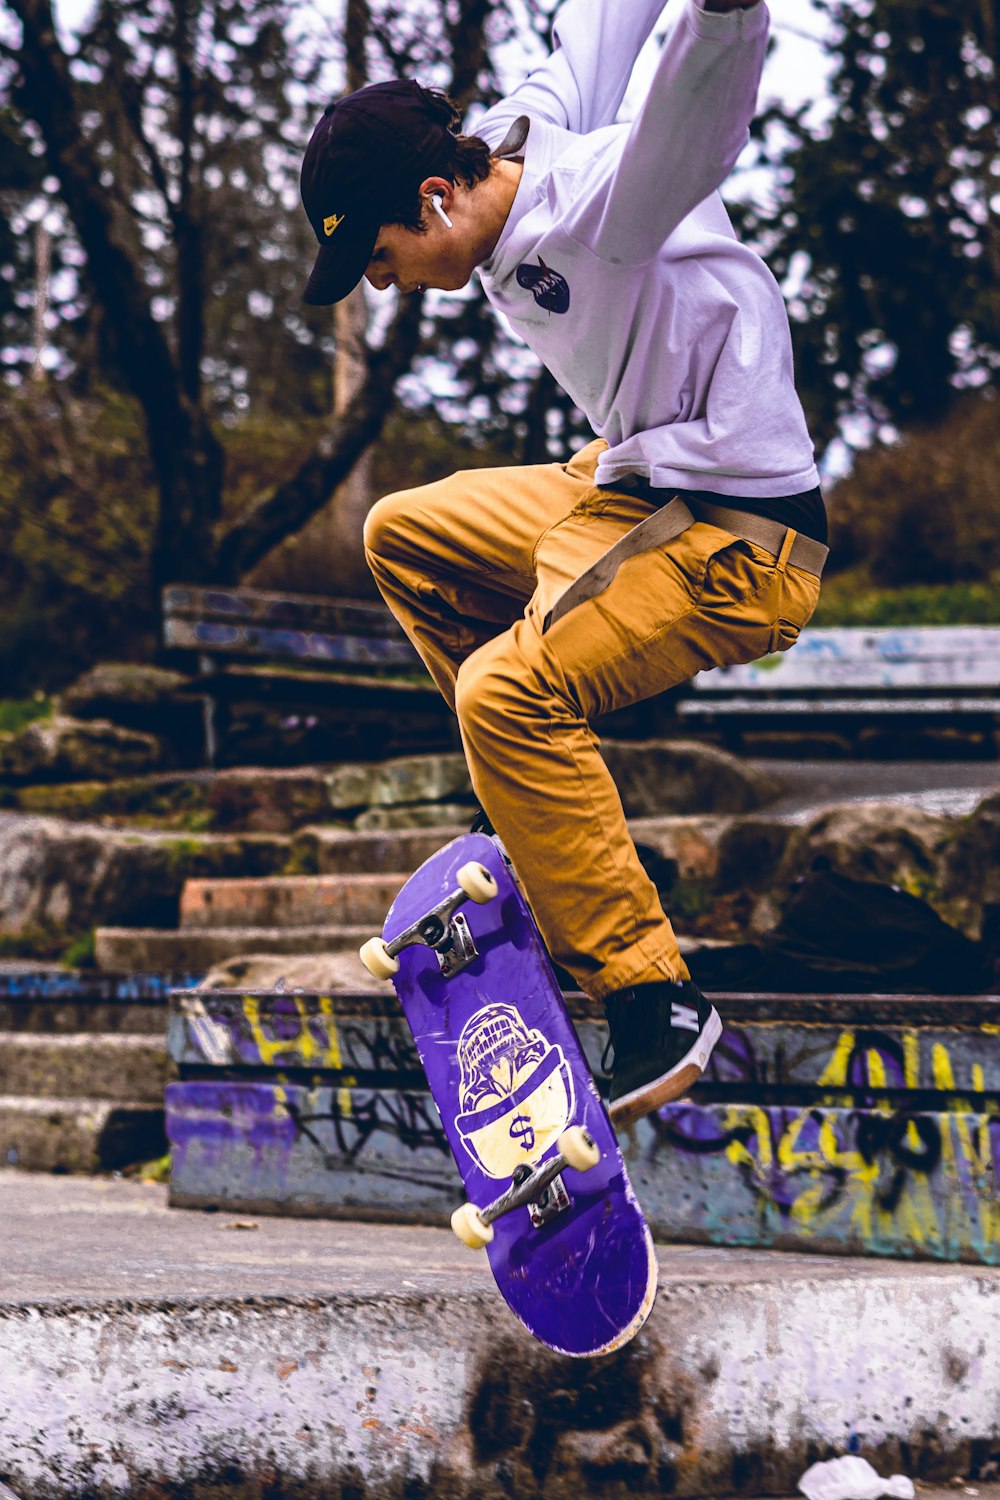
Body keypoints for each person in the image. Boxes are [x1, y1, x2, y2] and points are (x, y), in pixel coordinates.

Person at [298, 0, 828, 1116]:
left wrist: (725, 16)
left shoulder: (601, 209)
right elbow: (591, 30)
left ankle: (655, 1000)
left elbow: (692, 120)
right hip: (627, 484)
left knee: (505, 692)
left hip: (731, 533)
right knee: (403, 533)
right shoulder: (512, 145)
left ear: (434, 199)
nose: (384, 284)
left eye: (382, 259)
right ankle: (535, 825)